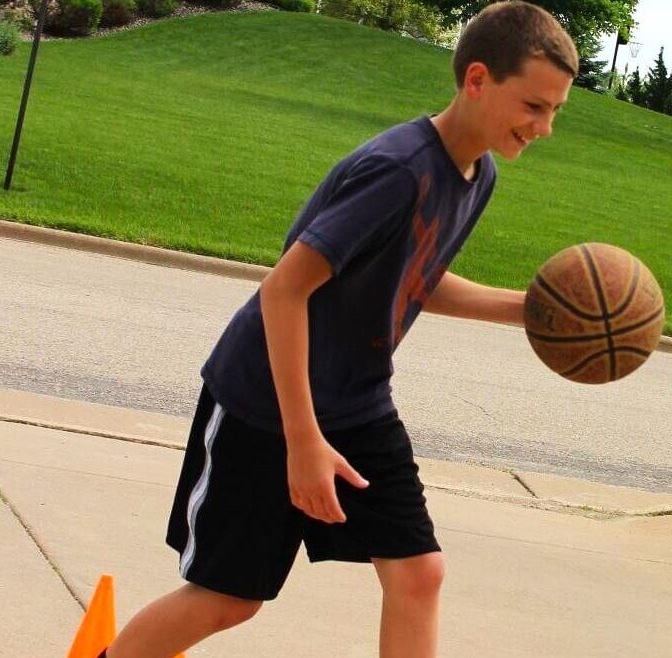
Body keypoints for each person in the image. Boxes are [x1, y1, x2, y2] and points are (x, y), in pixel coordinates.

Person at [103, 3, 577, 656]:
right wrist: (303, 442)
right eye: (533, 105)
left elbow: (413, 276)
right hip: (266, 401)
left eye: (554, 111)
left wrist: (526, 309)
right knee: (228, 599)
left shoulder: (476, 174)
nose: (544, 127)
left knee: (418, 573)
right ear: (475, 80)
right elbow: (285, 289)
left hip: (358, 402)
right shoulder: (398, 171)